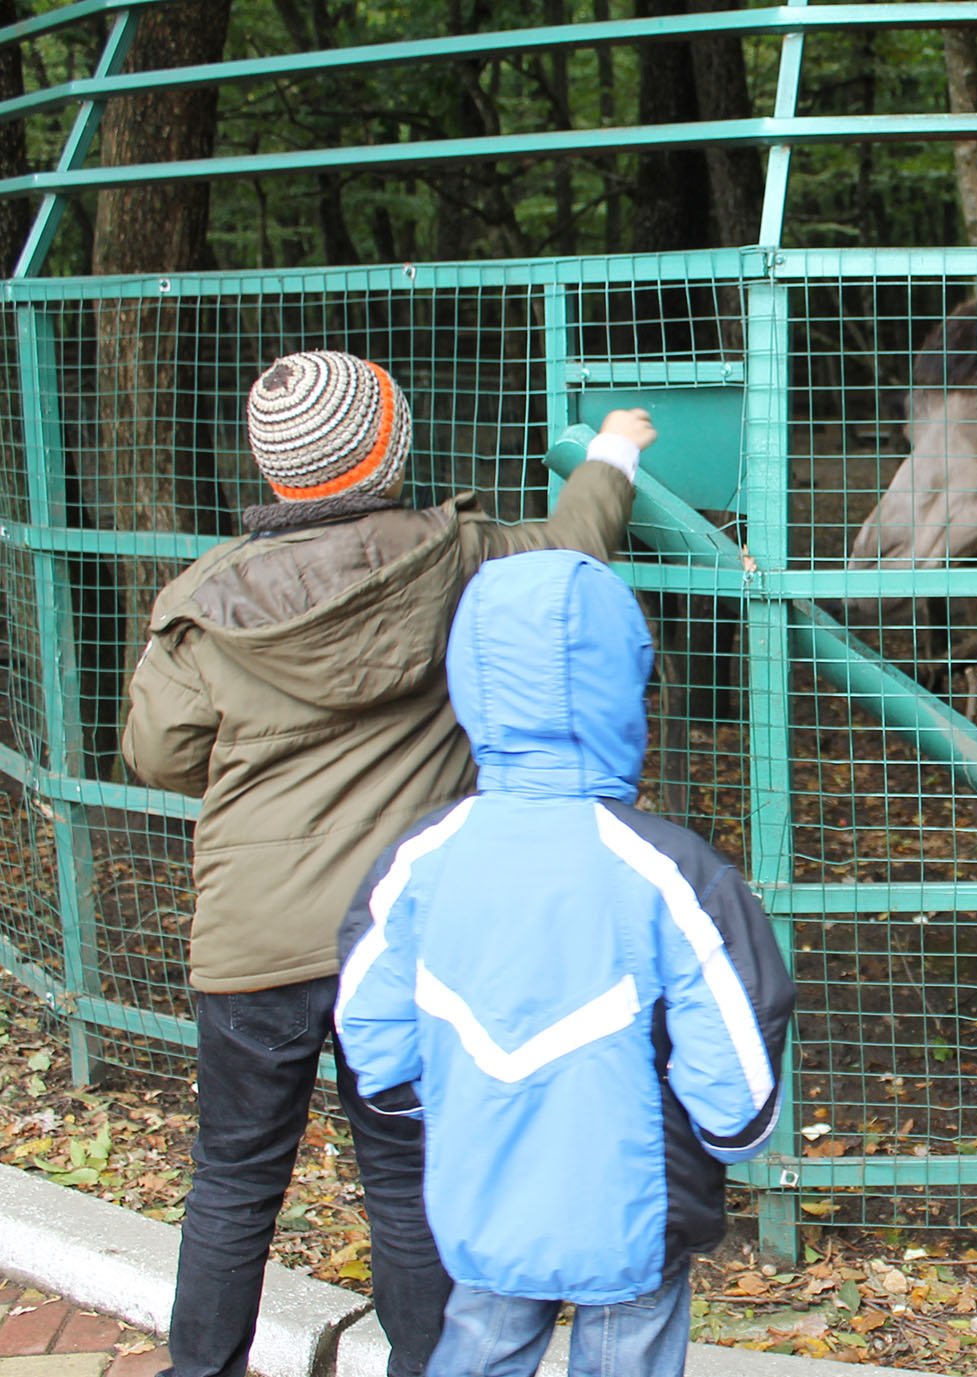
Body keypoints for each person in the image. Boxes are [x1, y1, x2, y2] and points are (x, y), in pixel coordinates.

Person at [121, 349, 652, 1377]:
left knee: (231, 1181)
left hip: (251, 939)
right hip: (411, 937)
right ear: (390, 448)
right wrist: (614, 452)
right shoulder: (457, 558)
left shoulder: (201, 602)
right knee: (410, 1181)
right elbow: (574, 540)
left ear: (275, 468)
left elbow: (160, 754)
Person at [335, 548, 794, 1377]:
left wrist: (443, 1098)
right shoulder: (672, 869)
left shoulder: (420, 861)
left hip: (483, 1190)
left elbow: (372, 1036)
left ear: (469, 678)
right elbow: (736, 1071)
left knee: (475, 1345)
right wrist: (729, 1132)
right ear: (626, 684)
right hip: (633, 1209)